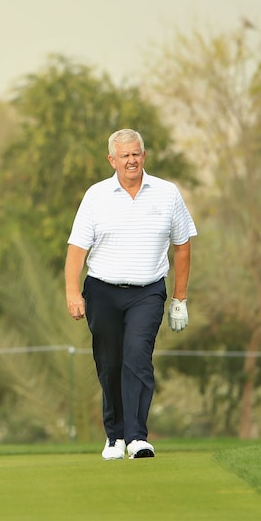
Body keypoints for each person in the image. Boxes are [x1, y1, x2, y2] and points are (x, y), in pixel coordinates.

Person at [65, 128, 196, 460]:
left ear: (144, 156)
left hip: (147, 292)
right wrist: (72, 292)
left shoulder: (167, 193)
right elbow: (77, 250)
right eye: (124, 155)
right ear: (112, 159)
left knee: (138, 358)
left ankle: (138, 437)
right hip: (102, 292)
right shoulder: (96, 195)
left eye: (136, 153)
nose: (131, 160)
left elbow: (182, 246)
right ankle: (115, 436)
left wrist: (179, 299)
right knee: (110, 363)